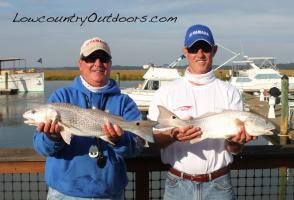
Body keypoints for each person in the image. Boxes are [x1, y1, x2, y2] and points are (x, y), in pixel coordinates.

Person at [148, 24, 256, 200]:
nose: (199, 54)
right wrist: (173, 135)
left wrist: (237, 142)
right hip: (177, 185)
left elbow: (234, 149)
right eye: (193, 48)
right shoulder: (165, 92)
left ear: (214, 50)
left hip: (219, 185)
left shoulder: (230, 92)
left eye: (205, 48)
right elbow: (151, 141)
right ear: (185, 51)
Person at [33, 37, 144, 200]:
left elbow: (138, 146)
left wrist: (118, 141)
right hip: (63, 194)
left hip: (110, 194)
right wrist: (52, 136)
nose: (97, 63)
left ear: (110, 64)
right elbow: (41, 148)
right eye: (91, 58)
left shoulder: (124, 102)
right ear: (80, 63)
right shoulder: (61, 97)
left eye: (103, 58)